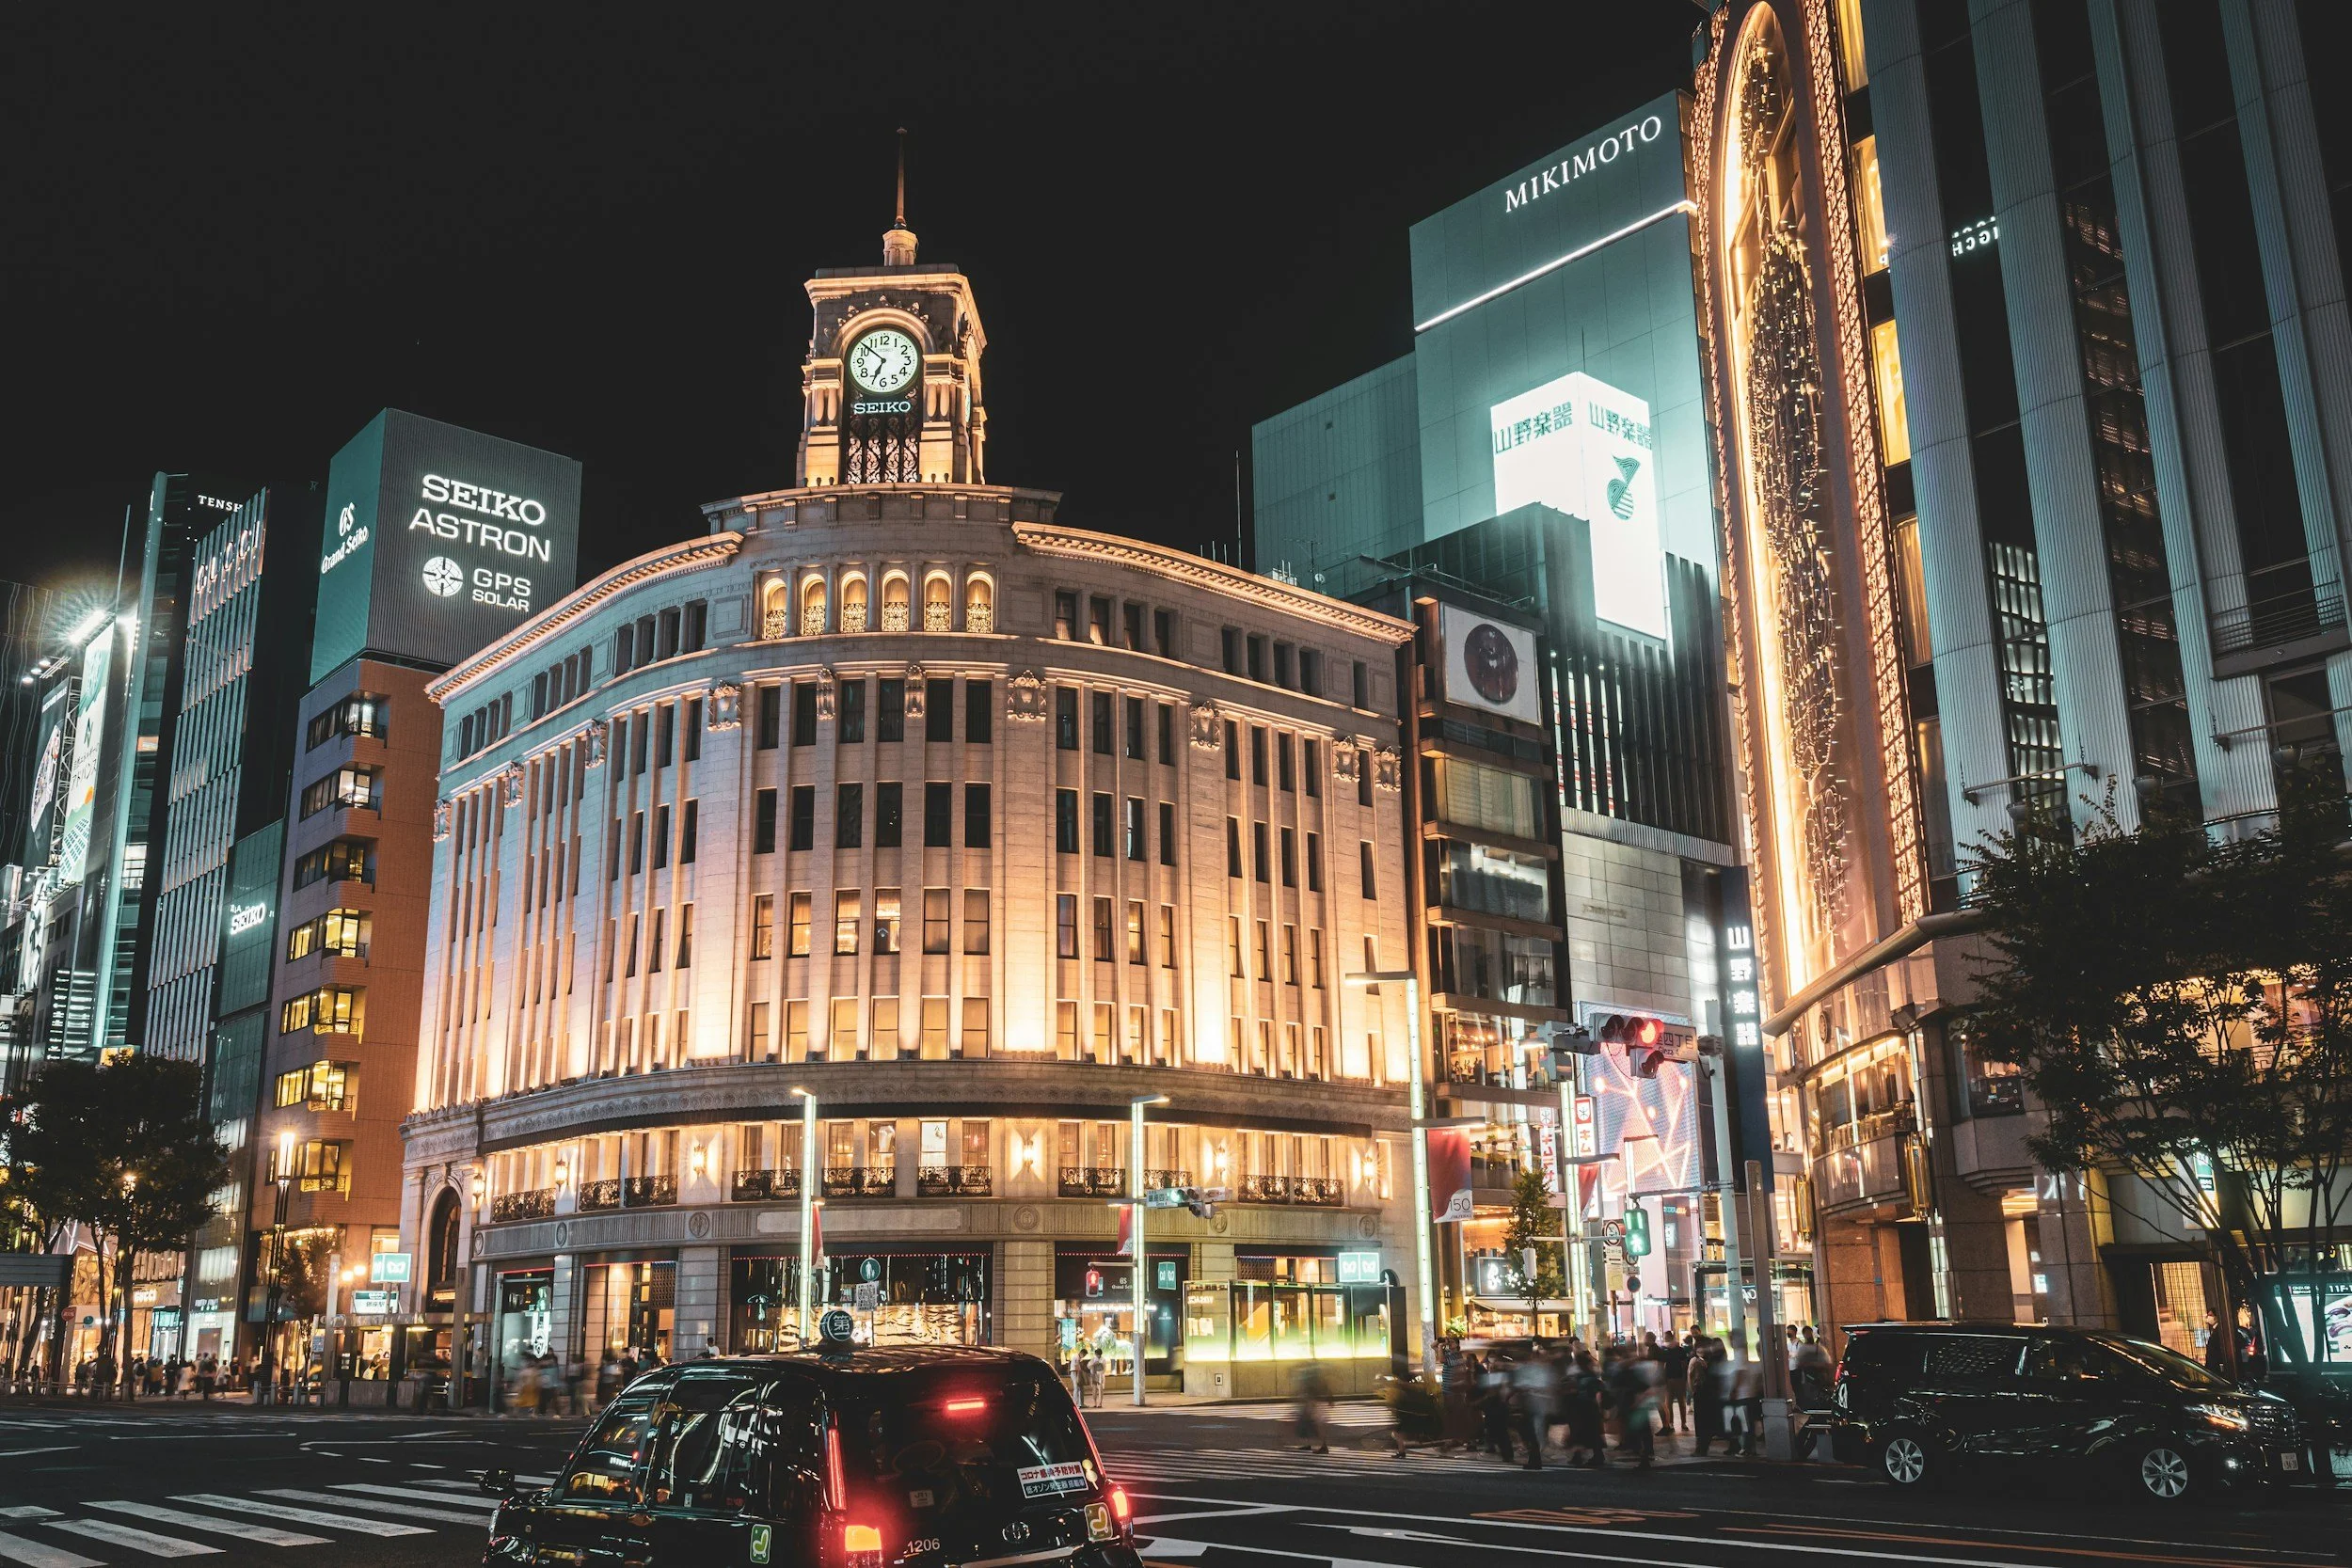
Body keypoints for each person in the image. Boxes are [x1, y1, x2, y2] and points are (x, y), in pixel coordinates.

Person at [1292, 1359, 1332, 1454]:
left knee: (1317, 1424)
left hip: (1315, 1402)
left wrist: (1329, 1399)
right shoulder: (1312, 1377)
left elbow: (1320, 1388)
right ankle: (1309, 1444)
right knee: (1308, 1423)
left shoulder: (1314, 1378)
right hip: (1312, 1402)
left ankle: (1323, 1446)